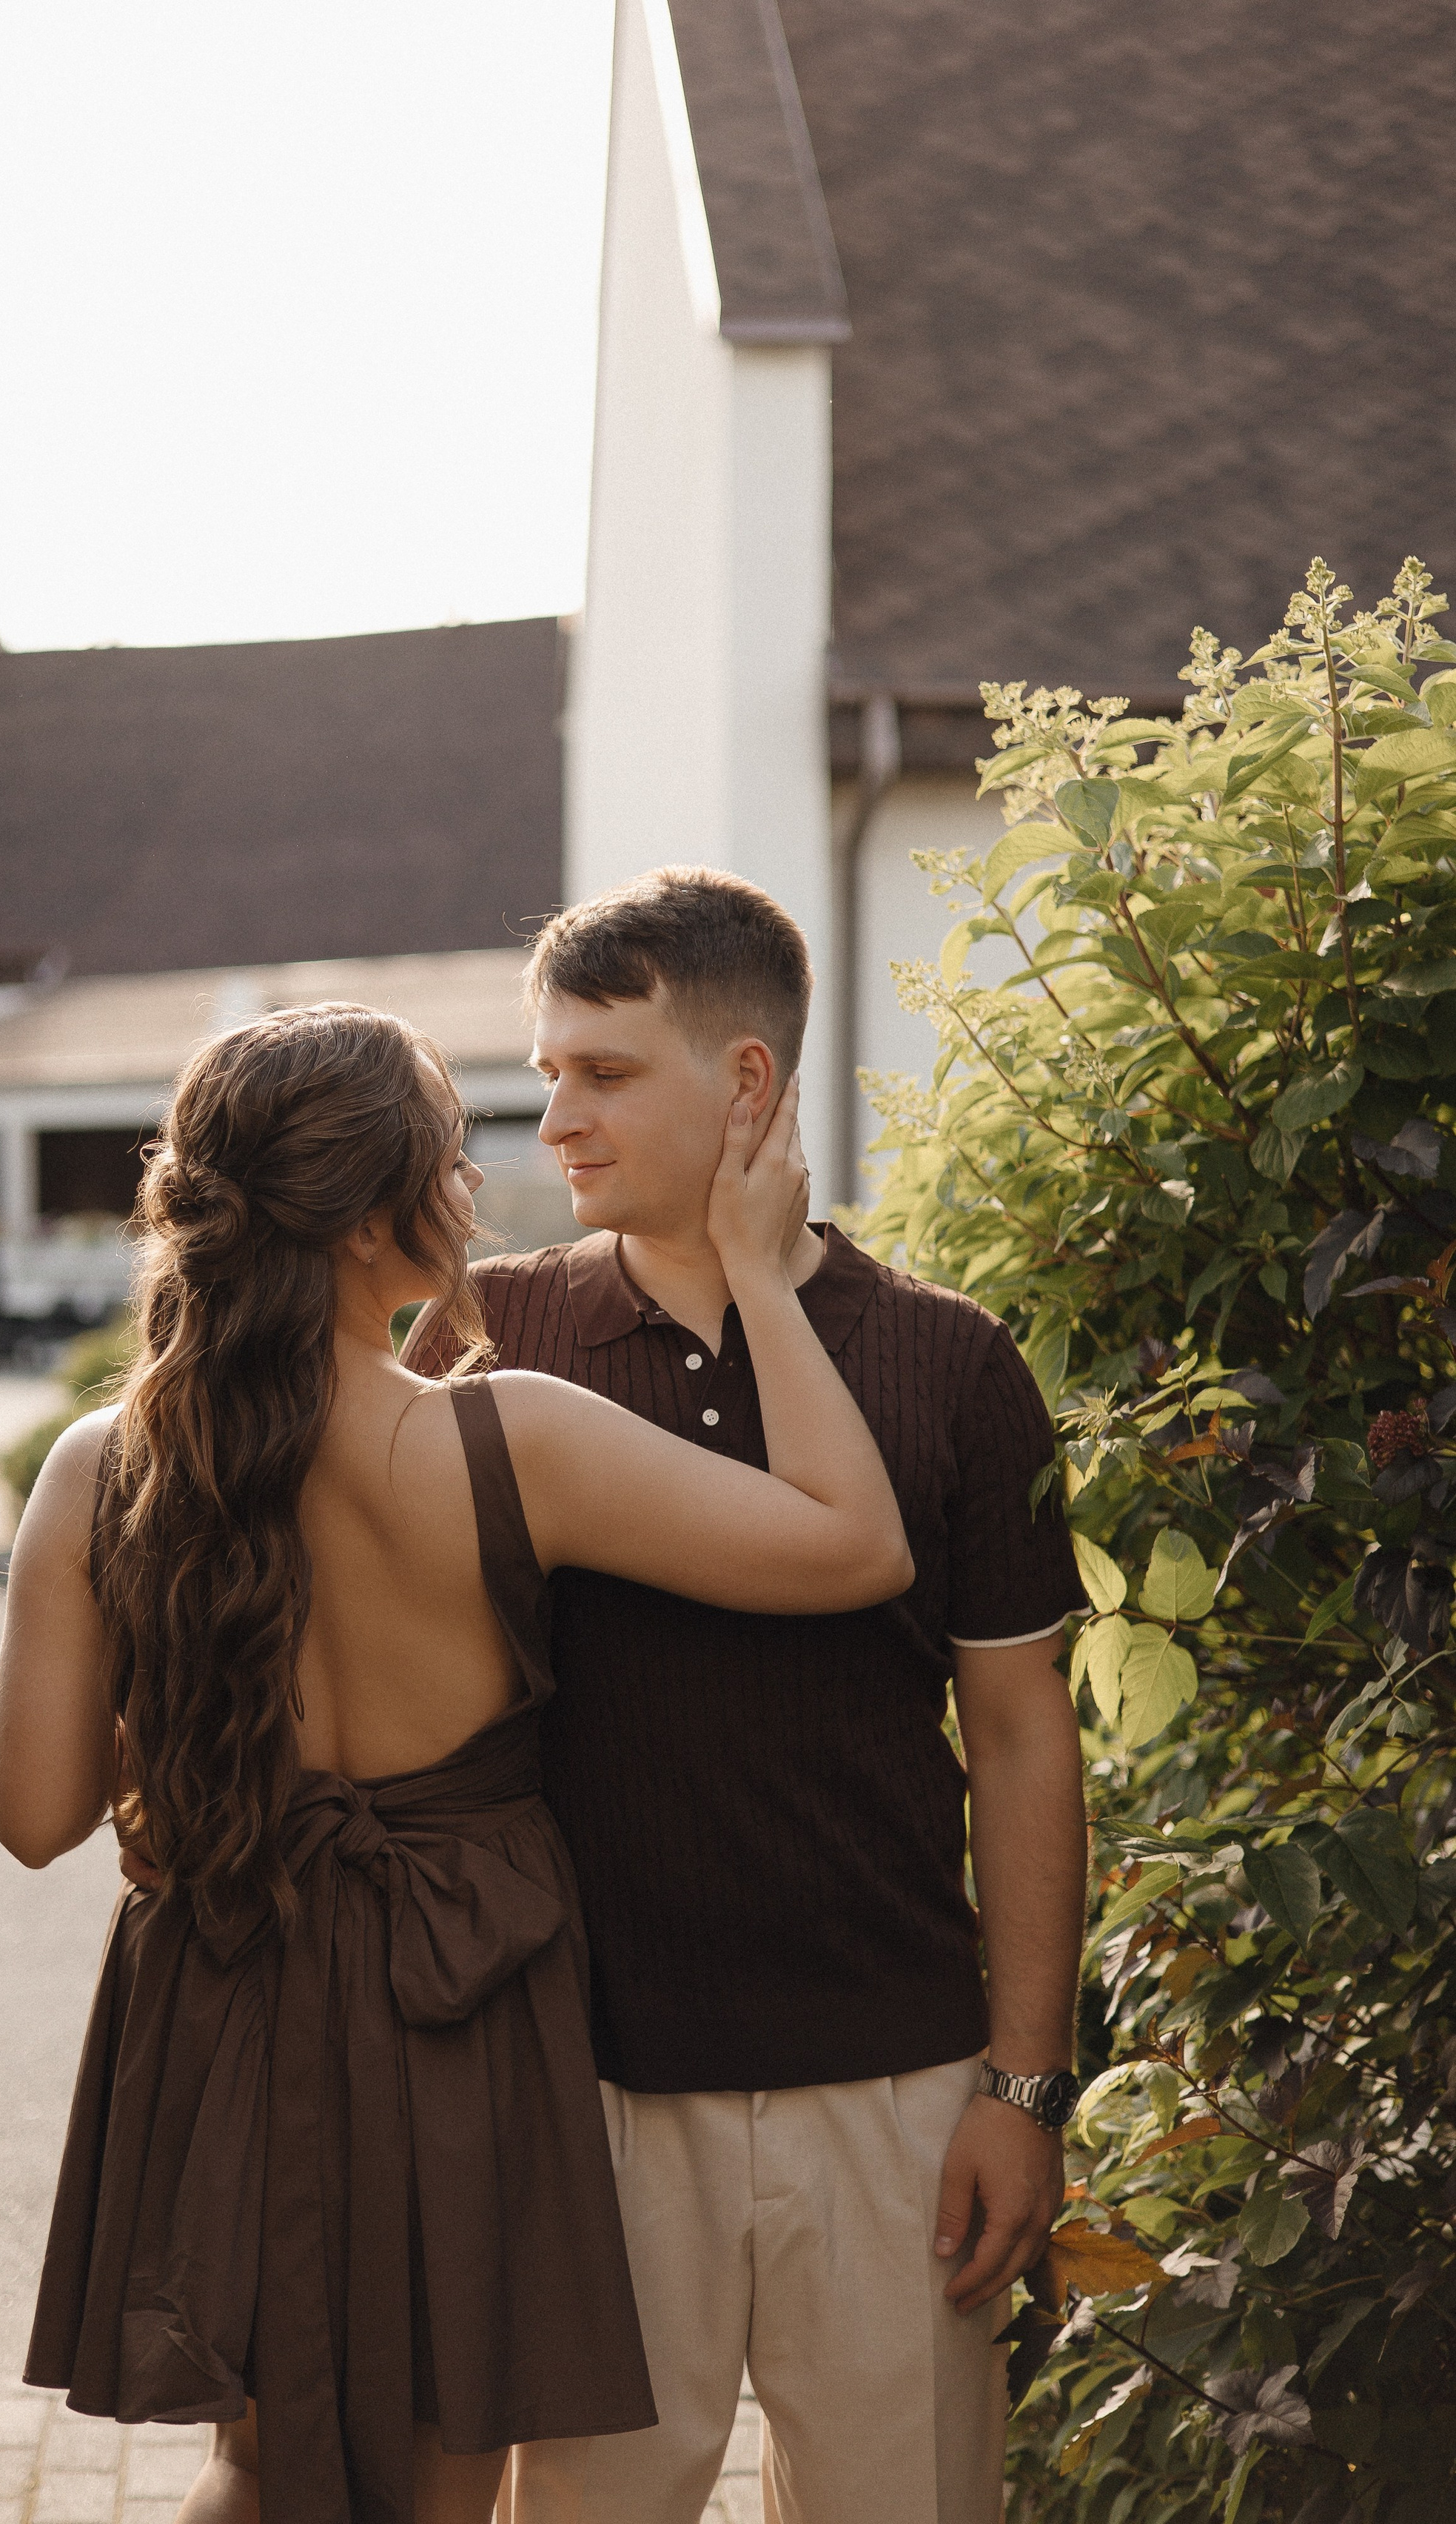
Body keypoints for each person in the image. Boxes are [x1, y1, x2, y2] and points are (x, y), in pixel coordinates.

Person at [0, 1001, 915, 2524]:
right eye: (450, 1156)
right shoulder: (509, 1440)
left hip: (230, 1987)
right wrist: (757, 1264)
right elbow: (854, 1542)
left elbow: (33, 1818)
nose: (478, 1187)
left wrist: (170, 1729)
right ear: (365, 1225)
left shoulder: (103, 1467)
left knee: (257, 2460)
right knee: (442, 2476)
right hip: (460, 2000)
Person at [403, 868, 1090, 2524]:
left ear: (748, 1086)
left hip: (899, 2096)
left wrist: (1018, 2086)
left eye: (605, 1073)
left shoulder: (947, 1361)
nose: (551, 1118)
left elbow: (1017, 1740)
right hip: (592, 2099)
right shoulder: (488, 1340)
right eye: (545, 1069)